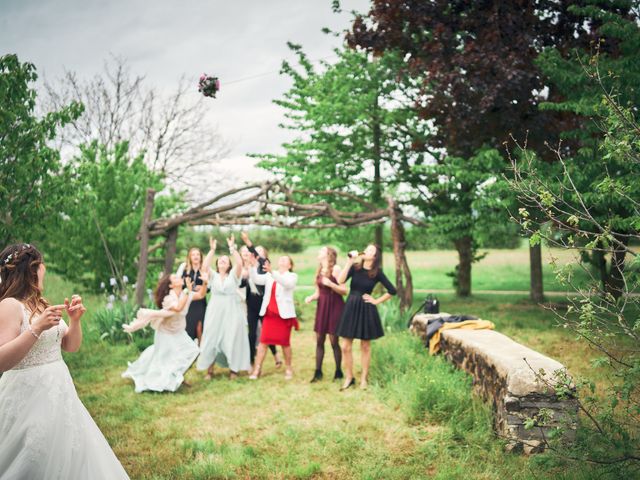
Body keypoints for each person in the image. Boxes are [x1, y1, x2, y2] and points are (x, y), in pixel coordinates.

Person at [0, 243, 129, 479]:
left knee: (70, 454)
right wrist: (36, 328)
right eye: (41, 266)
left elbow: (70, 346)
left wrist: (75, 320)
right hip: (28, 396)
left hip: (60, 391)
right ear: (31, 270)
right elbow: (2, 360)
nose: (44, 271)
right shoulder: (10, 306)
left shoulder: (42, 303)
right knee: (33, 460)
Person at [121, 274, 199, 393]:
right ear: (171, 285)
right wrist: (188, 291)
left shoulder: (183, 294)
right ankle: (156, 381)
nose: (179, 278)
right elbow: (178, 308)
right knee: (163, 360)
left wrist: (204, 282)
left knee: (193, 351)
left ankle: (177, 377)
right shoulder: (168, 299)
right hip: (165, 333)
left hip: (178, 332)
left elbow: (201, 294)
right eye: (175, 278)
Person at [336, 244, 397, 390]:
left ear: (375, 257)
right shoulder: (355, 267)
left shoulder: (377, 272)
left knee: (365, 346)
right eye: (367, 248)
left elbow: (392, 290)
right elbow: (340, 280)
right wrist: (349, 261)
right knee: (345, 346)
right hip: (351, 306)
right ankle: (349, 377)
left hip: (366, 308)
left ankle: (364, 378)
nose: (366, 251)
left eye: (370, 250)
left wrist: (376, 301)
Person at [196, 235, 251, 380]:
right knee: (211, 338)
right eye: (220, 259)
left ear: (228, 265)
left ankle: (234, 370)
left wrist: (232, 249)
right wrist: (212, 250)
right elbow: (204, 267)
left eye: (225, 260)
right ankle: (209, 370)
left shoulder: (234, 276)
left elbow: (239, 263)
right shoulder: (212, 276)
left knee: (231, 337)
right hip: (215, 310)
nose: (222, 260)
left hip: (232, 310)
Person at [249, 254, 298, 380]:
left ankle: (288, 368)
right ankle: (257, 369)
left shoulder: (292, 276)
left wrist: (272, 272)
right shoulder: (269, 275)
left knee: (285, 343)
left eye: (285, 259)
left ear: (290, 265)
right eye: (281, 258)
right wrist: (252, 266)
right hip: (270, 314)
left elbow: (286, 284)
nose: (282, 259)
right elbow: (256, 279)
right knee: (263, 342)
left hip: (284, 315)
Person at [240, 231, 283, 368]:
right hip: (251, 302)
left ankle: (276, 354)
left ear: (263, 255)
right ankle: (251, 360)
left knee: (267, 331)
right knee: (252, 332)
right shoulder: (249, 266)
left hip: (263, 303)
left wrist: (247, 241)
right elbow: (241, 283)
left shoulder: (265, 265)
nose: (255, 253)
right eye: (255, 252)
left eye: (259, 252)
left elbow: (255, 254)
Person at [305, 246, 346, 382]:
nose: (319, 252)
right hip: (322, 307)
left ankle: (338, 372)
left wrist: (331, 284)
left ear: (329, 255)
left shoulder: (336, 269)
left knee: (334, 341)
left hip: (335, 306)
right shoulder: (319, 270)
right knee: (319, 339)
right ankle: (318, 372)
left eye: (321, 251)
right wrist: (311, 297)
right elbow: (318, 292)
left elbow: (344, 290)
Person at [175, 247, 211, 344]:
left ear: (201, 257)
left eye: (197, 254)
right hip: (188, 300)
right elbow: (177, 282)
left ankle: (201, 349)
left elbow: (210, 284)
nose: (195, 257)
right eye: (193, 255)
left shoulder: (205, 269)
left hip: (200, 301)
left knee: (200, 326)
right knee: (188, 325)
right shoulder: (184, 267)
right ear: (189, 257)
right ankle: (188, 348)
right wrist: (187, 288)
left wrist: (204, 287)